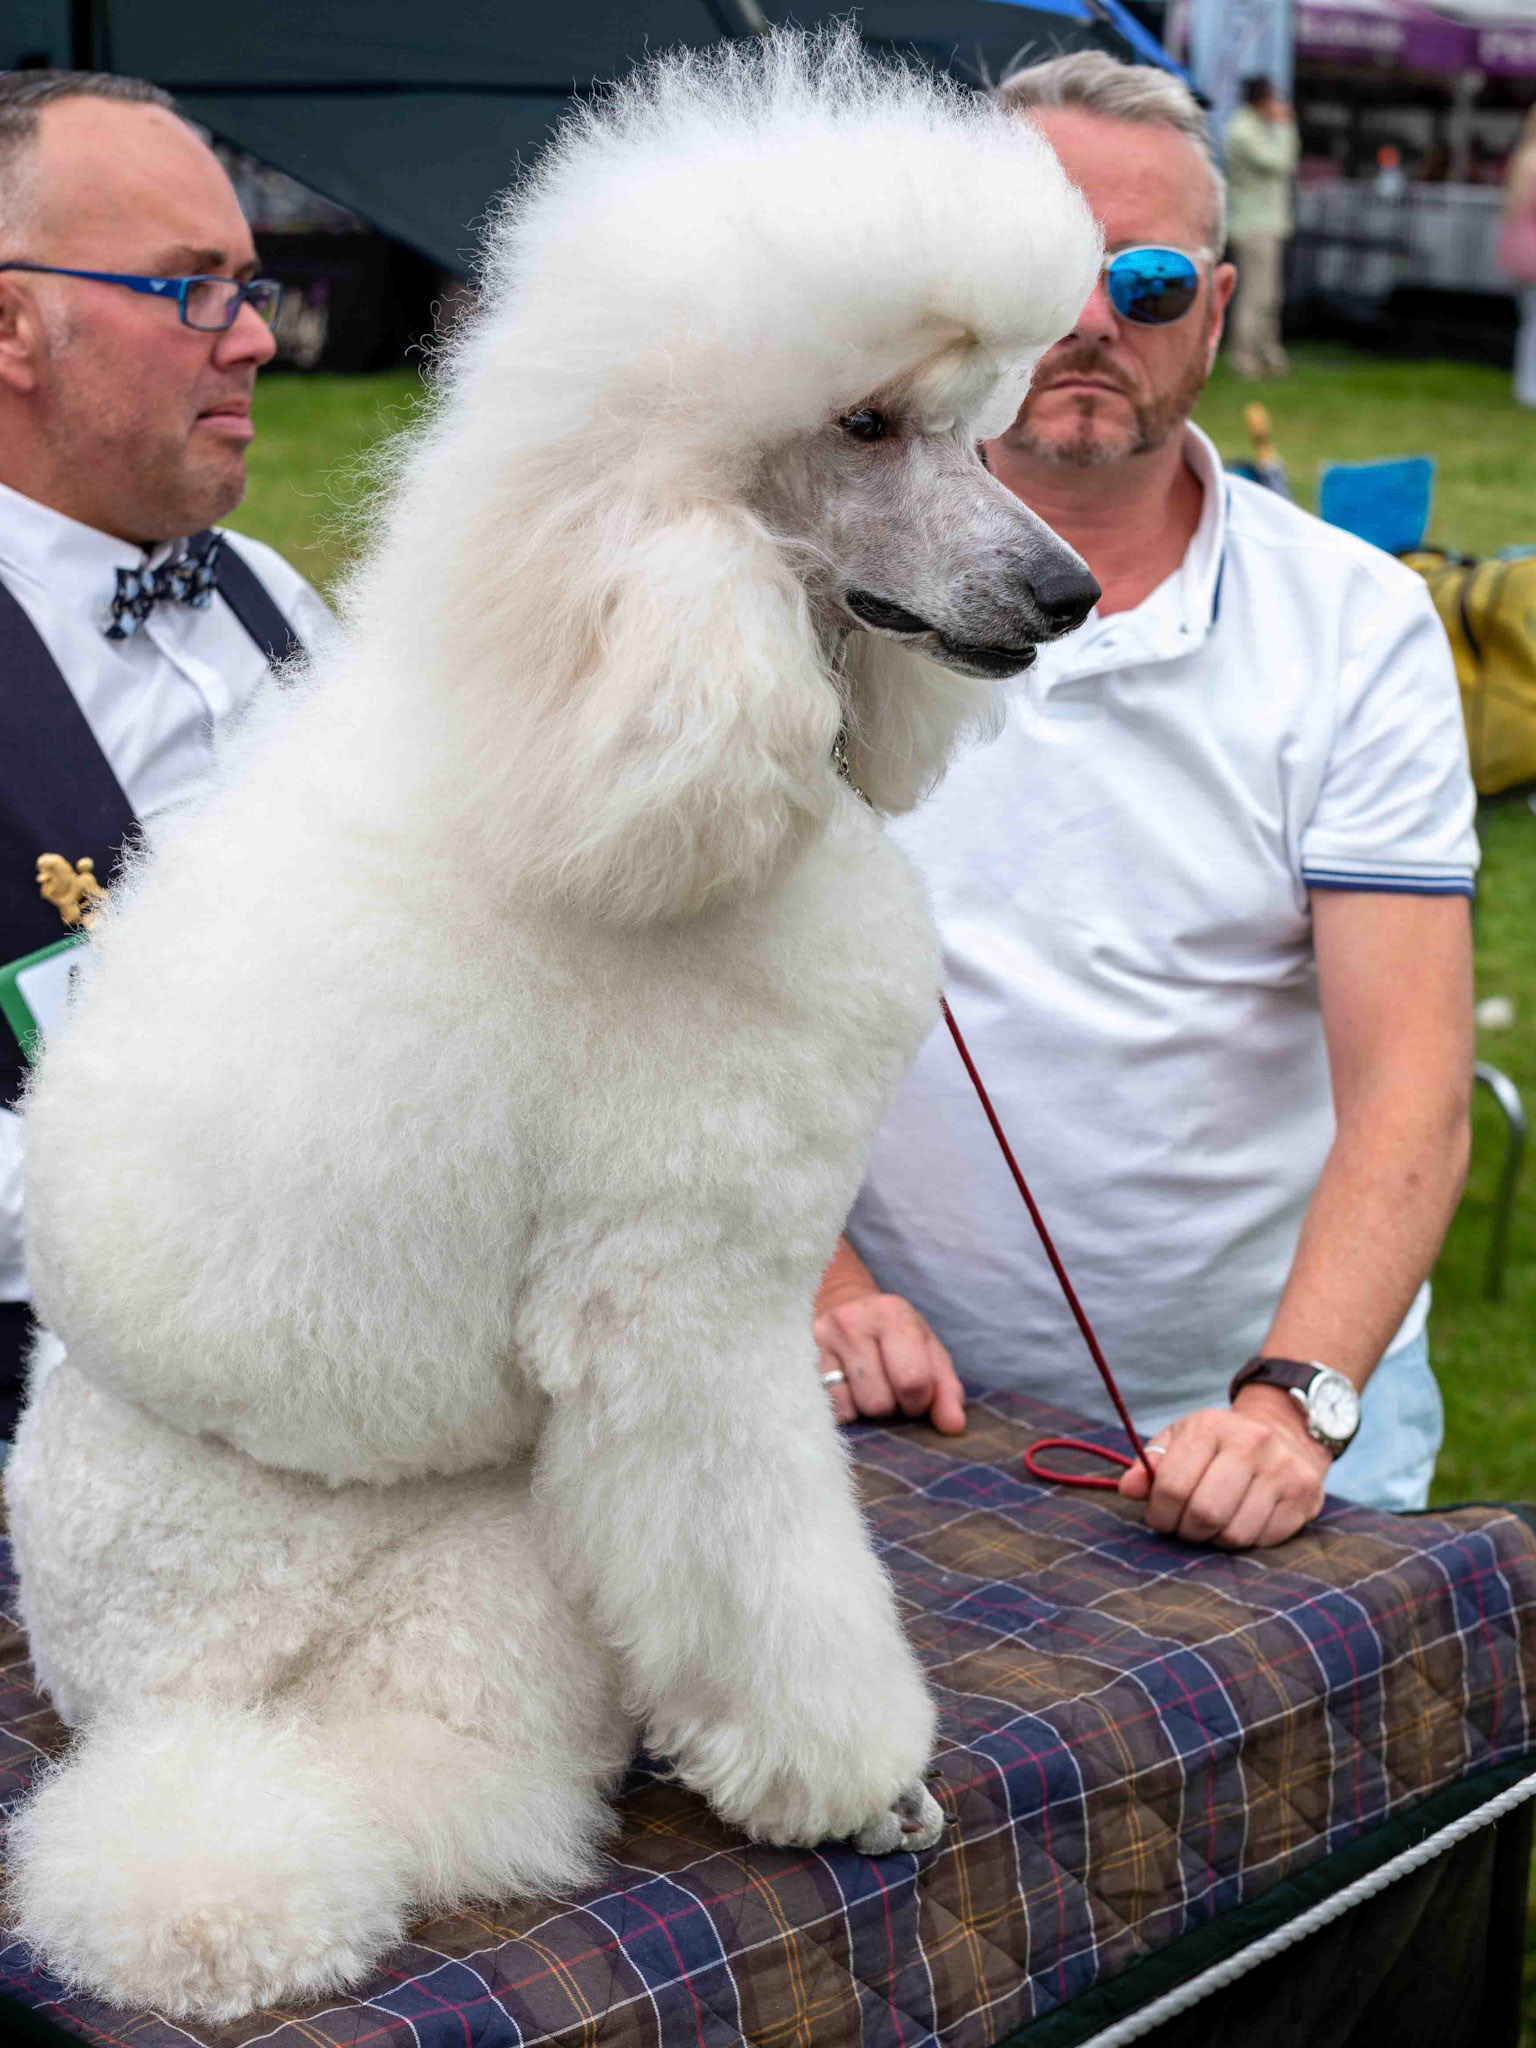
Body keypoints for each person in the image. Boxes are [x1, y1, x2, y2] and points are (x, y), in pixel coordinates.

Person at [815, 51, 1475, 1549]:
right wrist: (830, 1290)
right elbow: (690, 1003)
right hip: (892, 1414)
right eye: (1052, 270)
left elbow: (1413, 1088)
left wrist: (1289, 1403)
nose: (1100, 317)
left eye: (1156, 277)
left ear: (1218, 315)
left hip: (1269, 1437)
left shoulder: (1355, 625)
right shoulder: (811, 591)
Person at [0, 70, 329, 1436]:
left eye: (252, 284)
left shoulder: (277, 602)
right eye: (191, 286)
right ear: (14, 321)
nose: (254, 339)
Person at [1223, 74, 1298, 379]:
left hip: (1267, 224)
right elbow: (1280, 163)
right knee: (1255, 295)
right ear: (1262, 99)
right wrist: (1285, 126)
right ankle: (1243, 356)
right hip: (1253, 225)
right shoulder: (1242, 130)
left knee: (1270, 294)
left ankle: (1267, 352)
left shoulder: (1254, 127)